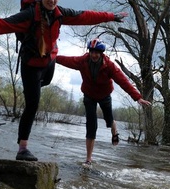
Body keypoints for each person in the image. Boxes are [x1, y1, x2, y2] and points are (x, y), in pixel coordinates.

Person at [0, 0, 128, 162]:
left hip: (48, 62)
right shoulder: (29, 15)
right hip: (31, 65)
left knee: (46, 82)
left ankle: (33, 90)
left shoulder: (60, 13)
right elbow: (0, 25)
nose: (52, 0)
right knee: (32, 105)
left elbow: (86, 16)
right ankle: (22, 149)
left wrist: (112, 16)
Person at [56, 38, 151, 167]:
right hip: (89, 95)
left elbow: (123, 81)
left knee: (108, 119)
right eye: (92, 52)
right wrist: (52, 57)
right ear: (89, 52)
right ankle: (88, 159)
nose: (94, 55)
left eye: (97, 52)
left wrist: (137, 97)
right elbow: (67, 60)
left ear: (101, 53)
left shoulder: (109, 66)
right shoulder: (82, 61)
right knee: (91, 125)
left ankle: (114, 131)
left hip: (104, 95)